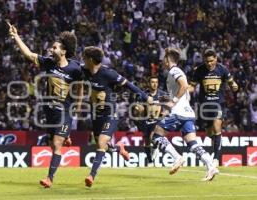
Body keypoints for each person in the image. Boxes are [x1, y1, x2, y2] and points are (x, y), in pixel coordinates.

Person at [8, 22, 83, 188]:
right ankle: (66, 136)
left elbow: (82, 85)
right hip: (49, 111)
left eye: (55, 47)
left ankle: (49, 178)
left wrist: (77, 104)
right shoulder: (48, 62)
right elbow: (28, 54)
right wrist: (16, 36)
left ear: (63, 51)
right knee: (51, 144)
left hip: (64, 111)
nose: (51, 49)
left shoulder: (75, 69)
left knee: (56, 144)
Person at [81, 46, 153, 187]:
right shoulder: (85, 70)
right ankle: (119, 148)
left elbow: (128, 84)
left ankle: (91, 175)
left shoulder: (108, 73)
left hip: (110, 115)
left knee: (101, 143)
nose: (82, 60)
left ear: (90, 59)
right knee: (104, 146)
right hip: (96, 116)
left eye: (84, 58)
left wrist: (145, 96)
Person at [151, 48, 219, 181]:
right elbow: (182, 94)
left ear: (167, 59)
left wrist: (173, 102)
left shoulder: (174, 70)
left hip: (178, 112)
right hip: (187, 113)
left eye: (164, 59)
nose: (162, 62)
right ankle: (211, 166)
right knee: (193, 144)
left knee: (156, 136)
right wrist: (163, 100)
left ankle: (177, 157)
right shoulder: (175, 72)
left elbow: (184, 85)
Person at [189, 49, 238, 167]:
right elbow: (192, 86)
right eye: (207, 61)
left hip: (218, 104)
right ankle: (217, 145)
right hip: (205, 106)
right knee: (209, 133)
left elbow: (232, 83)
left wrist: (234, 86)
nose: (209, 63)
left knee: (217, 128)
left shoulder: (222, 69)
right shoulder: (199, 70)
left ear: (216, 58)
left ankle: (216, 159)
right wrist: (184, 92)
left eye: (211, 61)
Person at [132, 77, 167, 167]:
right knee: (147, 142)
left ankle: (156, 146)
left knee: (152, 137)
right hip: (147, 121)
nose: (154, 84)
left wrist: (165, 112)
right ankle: (150, 161)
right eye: (152, 82)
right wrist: (138, 110)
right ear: (149, 83)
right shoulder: (143, 94)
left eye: (156, 82)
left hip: (158, 120)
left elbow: (169, 105)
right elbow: (137, 107)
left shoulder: (162, 94)